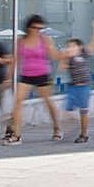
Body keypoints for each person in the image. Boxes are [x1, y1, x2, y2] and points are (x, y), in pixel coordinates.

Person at [5, 15, 61, 145]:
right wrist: (8, 77)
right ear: (29, 28)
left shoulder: (45, 40)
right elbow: (16, 60)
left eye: (40, 28)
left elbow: (53, 55)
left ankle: (57, 128)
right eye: (35, 27)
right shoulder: (21, 41)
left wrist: (66, 55)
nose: (38, 30)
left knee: (48, 102)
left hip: (43, 74)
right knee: (17, 102)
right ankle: (17, 135)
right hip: (26, 76)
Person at [62, 20, 94, 143]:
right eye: (68, 46)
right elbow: (62, 67)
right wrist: (64, 59)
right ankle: (74, 126)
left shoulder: (84, 54)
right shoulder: (68, 58)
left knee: (83, 111)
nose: (70, 48)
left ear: (79, 47)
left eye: (73, 46)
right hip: (72, 87)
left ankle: (83, 134)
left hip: (84, 87)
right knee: (67, 110)